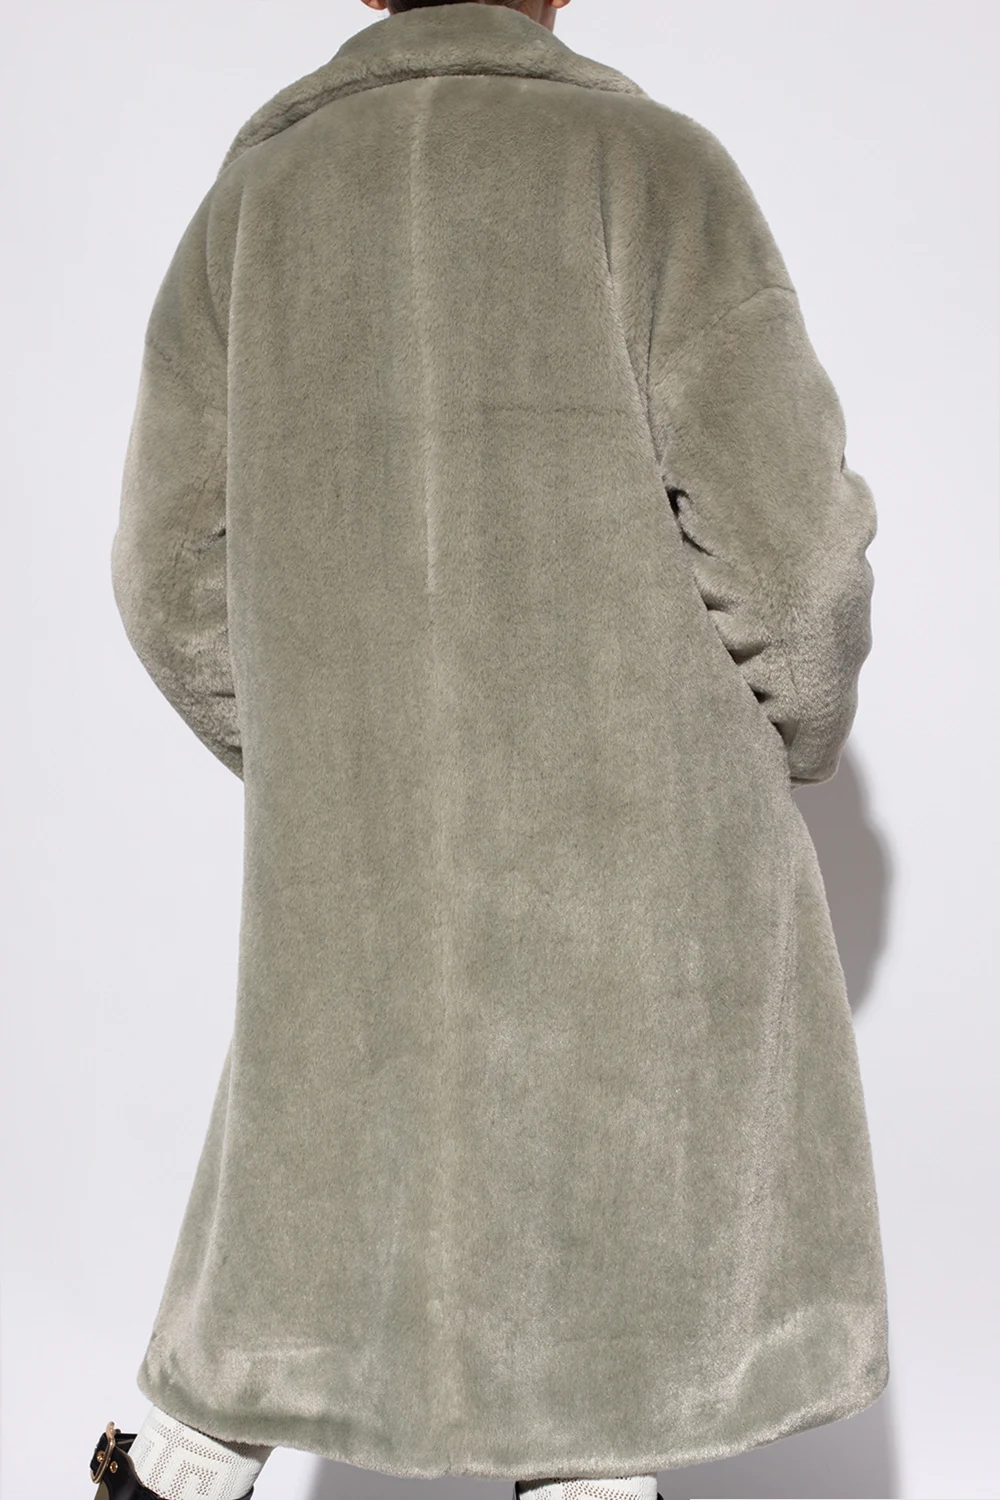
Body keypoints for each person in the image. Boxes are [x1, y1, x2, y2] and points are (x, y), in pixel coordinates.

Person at [92, 0, 889, 1495]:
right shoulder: (650, 169)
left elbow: (164, 575)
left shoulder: (252, 207)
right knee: (611, 1273)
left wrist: (337, 759)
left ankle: (177, 1459)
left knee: (323, 1152)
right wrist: (788, 732)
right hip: (646, 845)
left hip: (366, 850)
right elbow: (795, 561)